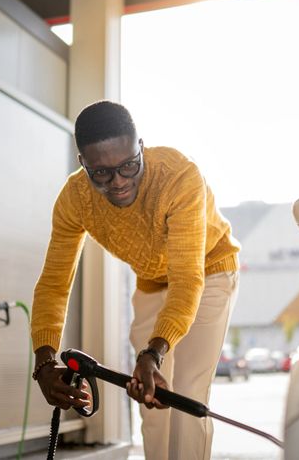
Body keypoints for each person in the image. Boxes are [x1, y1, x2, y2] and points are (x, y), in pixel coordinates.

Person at [30, 100, 240, 460]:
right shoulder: (74, 199)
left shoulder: (178, 176)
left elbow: (187, 280)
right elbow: (53, 284)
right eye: (102, 173)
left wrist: (153, 351)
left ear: (140, 145)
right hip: (152, 282)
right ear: (83, 164)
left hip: (209, 271)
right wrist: (44, 363)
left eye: (129, 165)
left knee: (185, 394)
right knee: (150, 397)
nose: (120, 182)